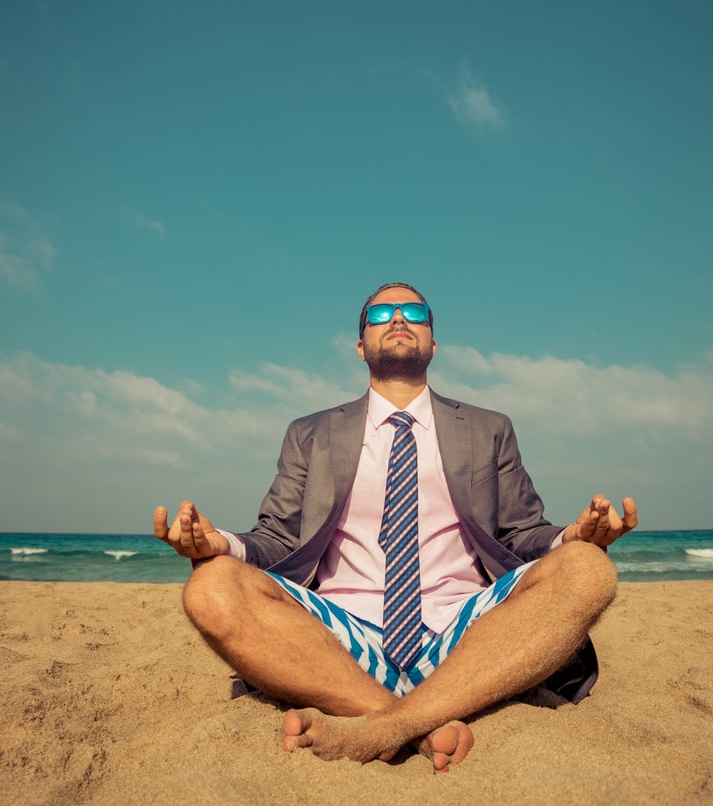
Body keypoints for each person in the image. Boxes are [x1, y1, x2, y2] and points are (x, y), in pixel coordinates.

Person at [155, 282, 637, 771]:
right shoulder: (310, 433)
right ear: (360, 345)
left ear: (433, 342)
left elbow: (520, 533)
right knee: (210, 584)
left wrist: (572, 538)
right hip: (339, 640)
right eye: (381, 314)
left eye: (414, 312)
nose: (399, 319)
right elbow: (278, 538)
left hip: (465, 634)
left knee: (587, 568)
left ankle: (381, 726)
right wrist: (221, 544)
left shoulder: (488, 428)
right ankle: (415, 723)